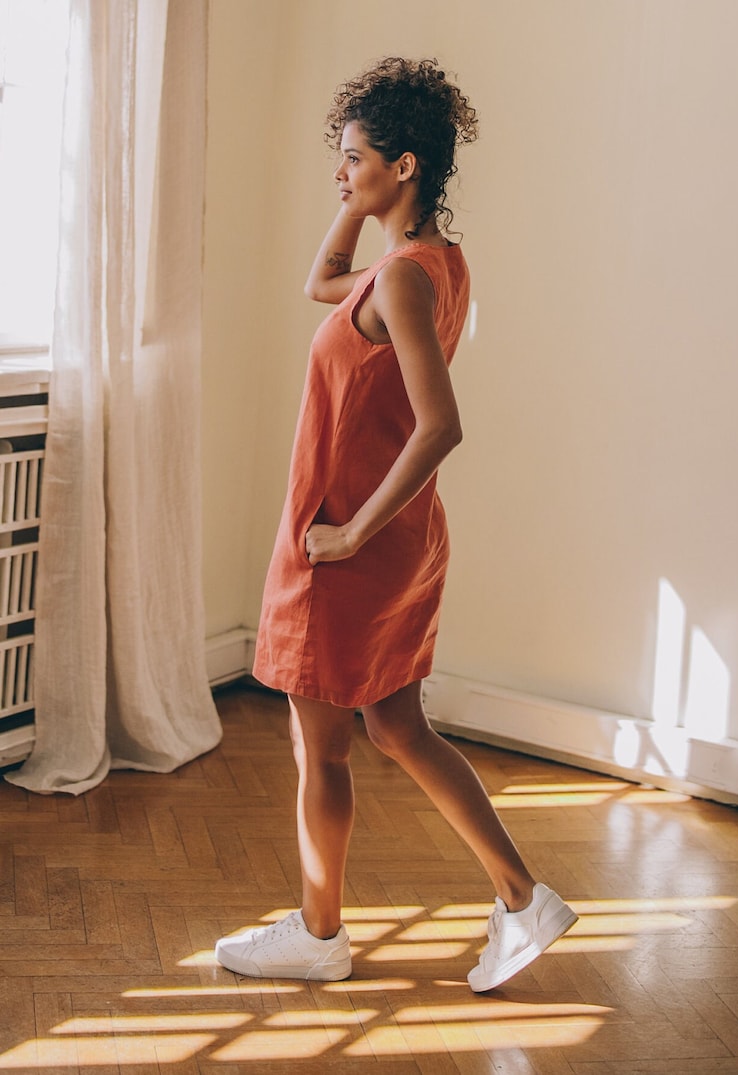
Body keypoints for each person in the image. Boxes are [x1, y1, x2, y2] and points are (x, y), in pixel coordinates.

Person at [215, 57, 577, 992]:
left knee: (321, 746)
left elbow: (440, 424)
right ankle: (521, 897)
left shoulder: (405, 280)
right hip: (393, 540)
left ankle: (320, 933)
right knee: (399, 727)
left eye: (355, 159)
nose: (339, 173)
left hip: (352, 546)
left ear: (406, 164)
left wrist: (347, 537)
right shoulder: (421, 265)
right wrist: (362, 191)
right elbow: (319, 280)